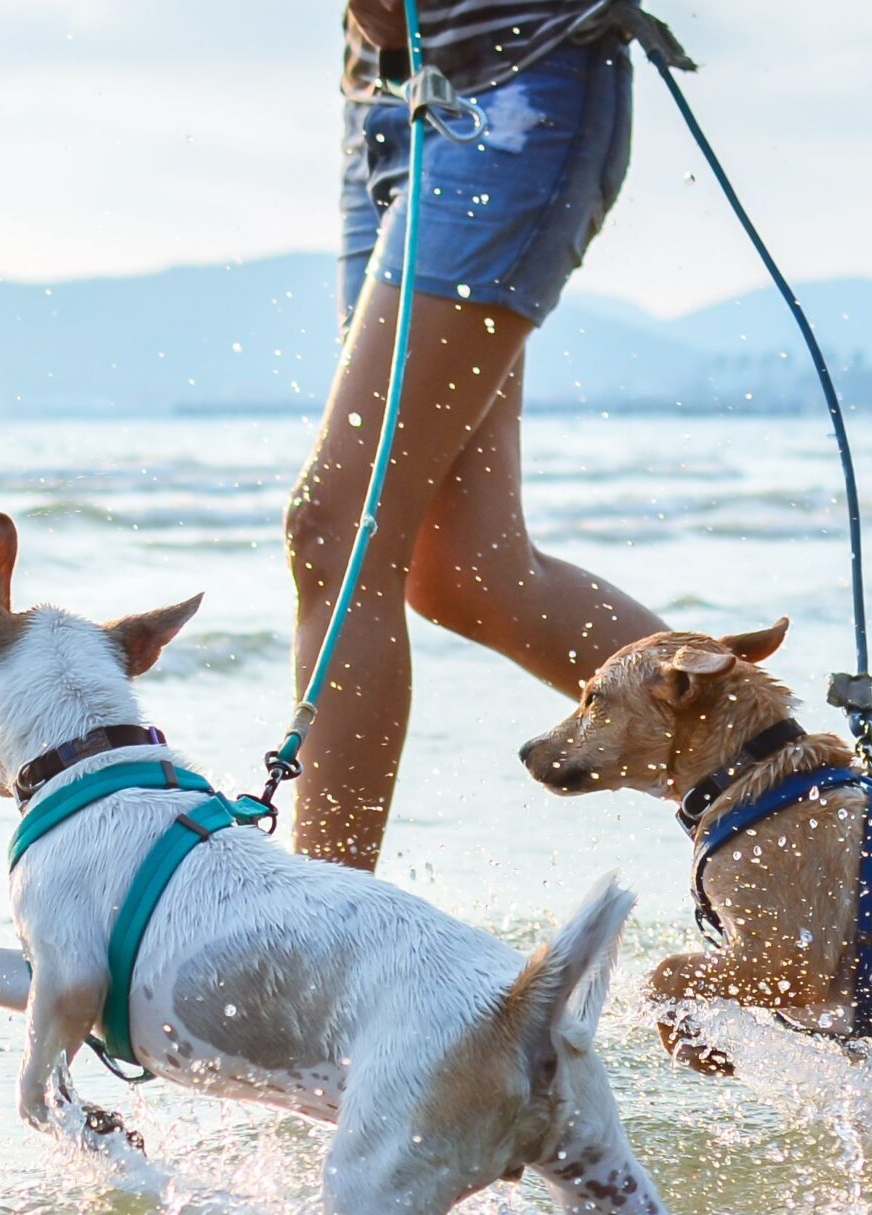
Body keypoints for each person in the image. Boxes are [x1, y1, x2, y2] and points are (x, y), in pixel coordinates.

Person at [285, 0, 667, 870]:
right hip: (385, 102)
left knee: (335, 532)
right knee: (468, 575)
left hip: (518, 81)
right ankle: (810, 796)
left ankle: (314, 940)